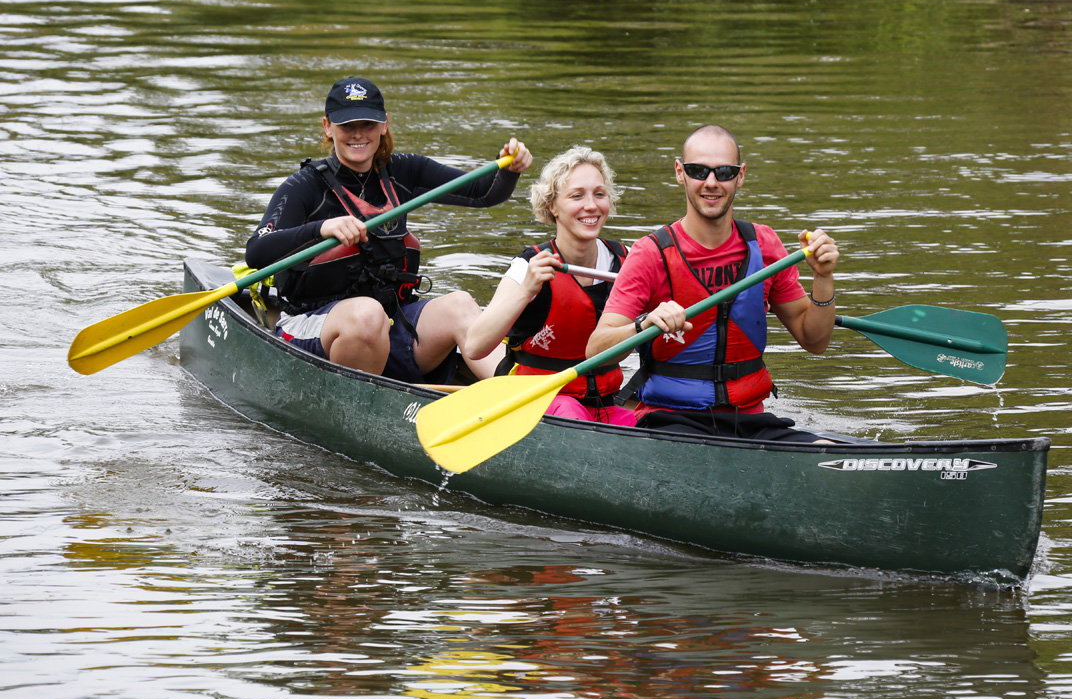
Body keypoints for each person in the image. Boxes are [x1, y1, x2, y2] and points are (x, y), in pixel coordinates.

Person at [244, 76, 533, 384]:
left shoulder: (405, 170)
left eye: (368, 124)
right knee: (367, 316)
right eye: (347, 125)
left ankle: (520, 397)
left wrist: (509, 169)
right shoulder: (304, 186)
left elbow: (483, 192)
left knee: (460, 304)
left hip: (391, 325)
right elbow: (257, 252)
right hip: (313, 325)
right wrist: (321, 228)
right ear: (328, 127)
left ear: (384, 125)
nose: (358, 135)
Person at [584, 124, 839, 442]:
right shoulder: (650, 254)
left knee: (826, 449)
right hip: (670, 421)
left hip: (748, 422)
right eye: (698, 170)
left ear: (741, 175)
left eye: (724, 172)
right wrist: (643, 324)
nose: (711, 182)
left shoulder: (765, 244)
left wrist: (823, 277)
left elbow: (815, 342)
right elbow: (595, 352)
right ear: (680, 172)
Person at [464, 147, 636, 425]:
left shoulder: (627, 262)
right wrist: (525, 291)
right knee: (572, 415)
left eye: (599, 194)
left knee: (646, 423)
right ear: (553, 206)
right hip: (538, 401)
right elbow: (474, 347)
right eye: (577, 196)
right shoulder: (529, 266)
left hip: (604, 402)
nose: (591, 205)